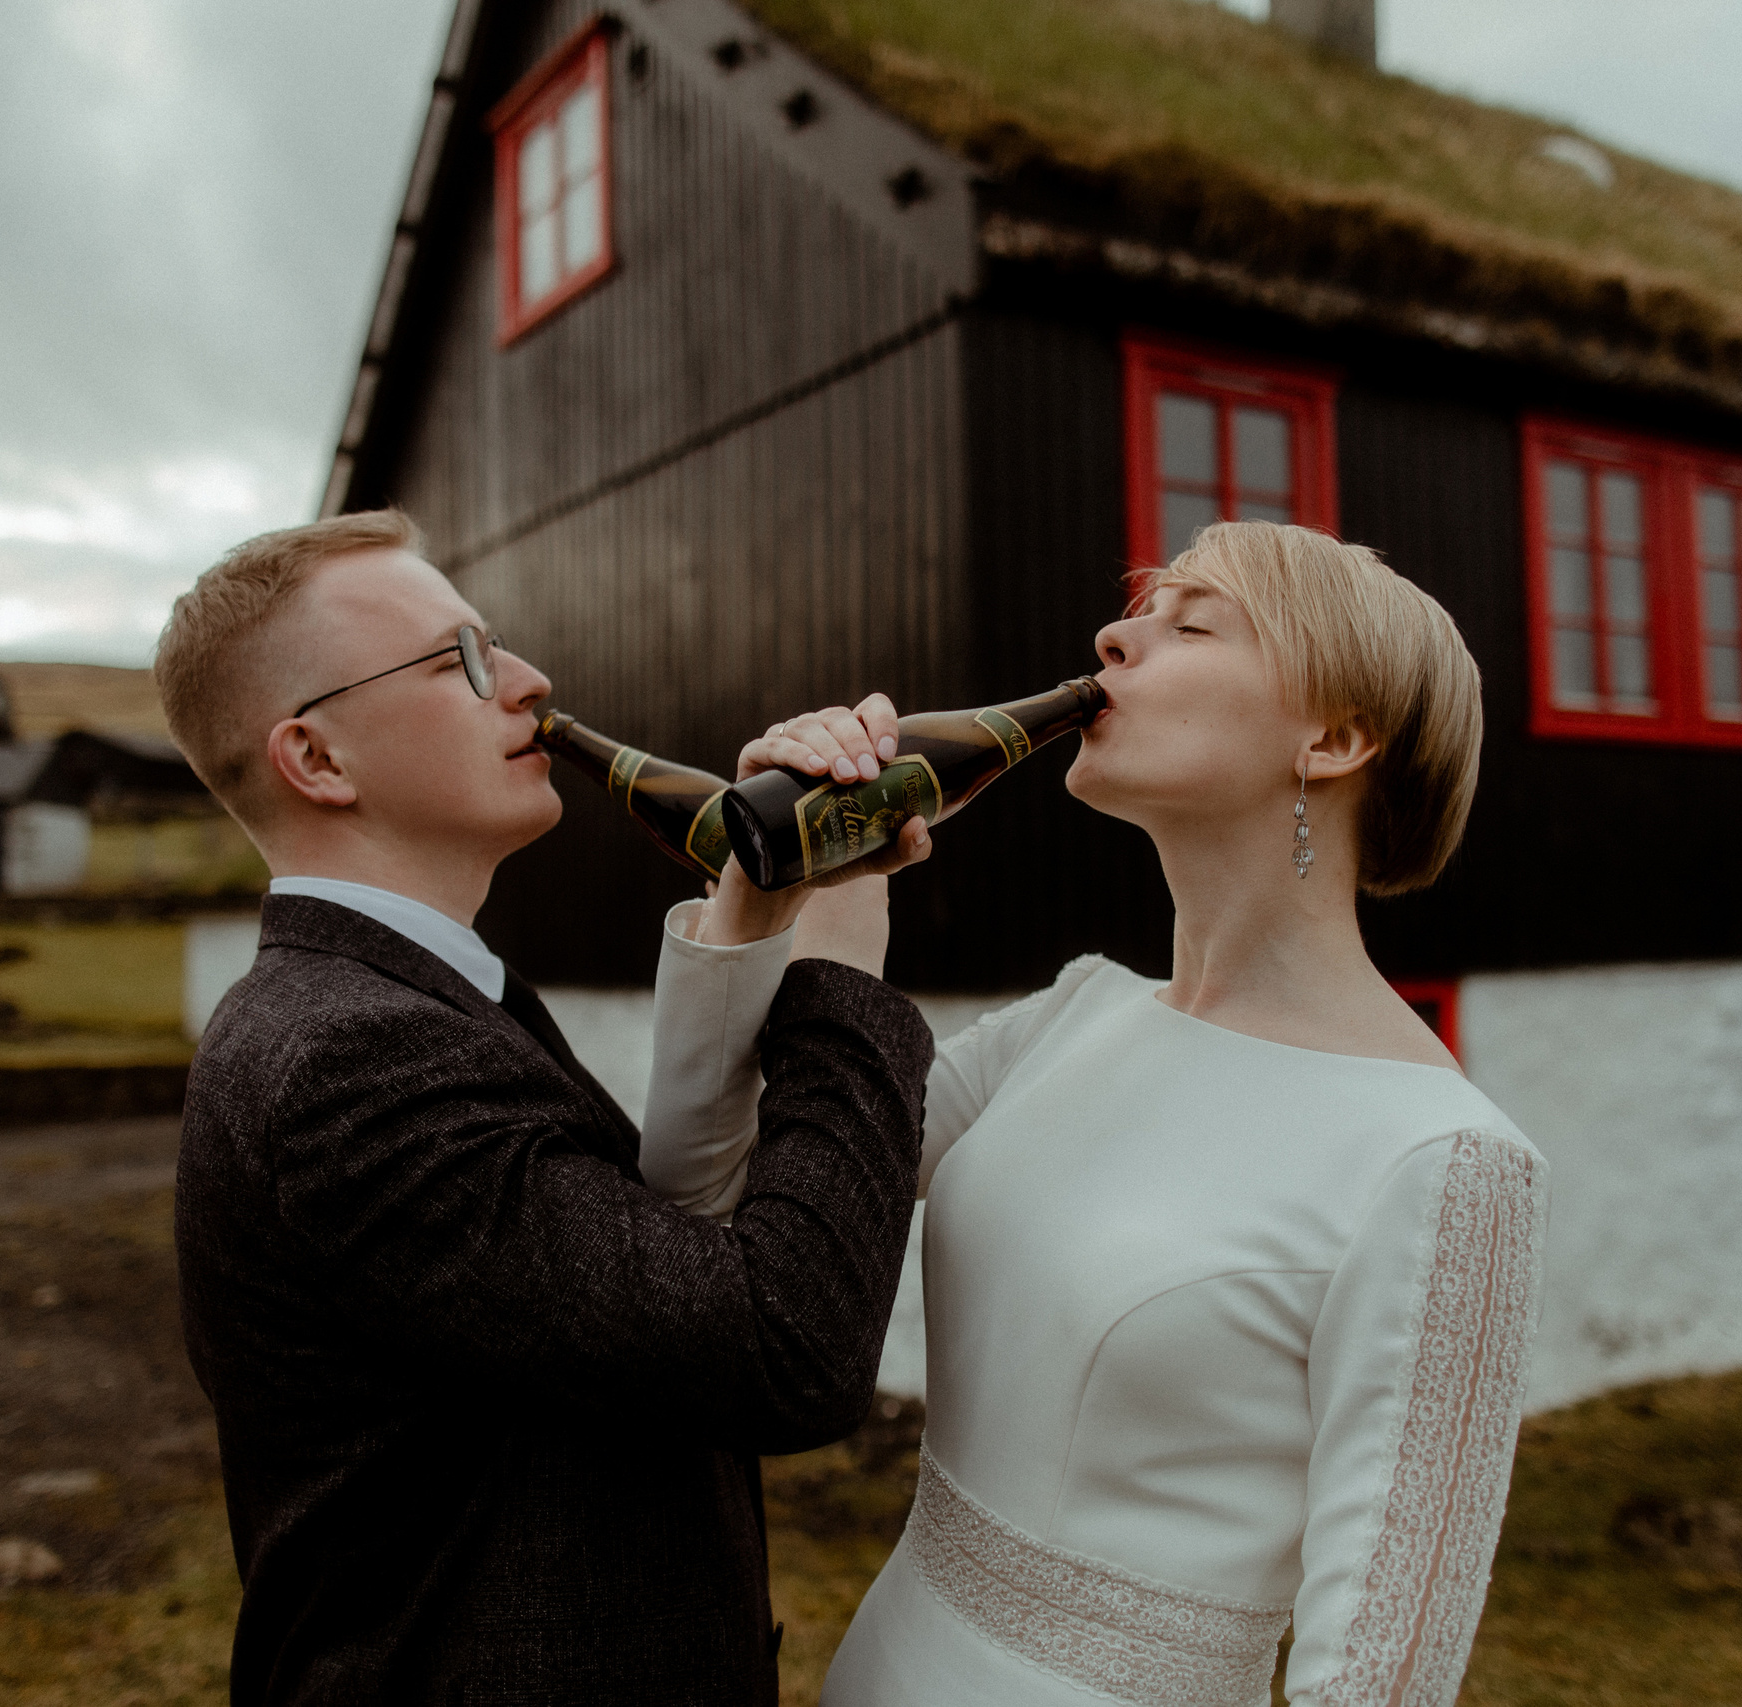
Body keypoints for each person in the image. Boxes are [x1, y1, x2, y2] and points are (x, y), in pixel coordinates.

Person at [641, 520, 1549, 1707]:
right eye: (1138, 609)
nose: (1113, 635)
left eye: (1192, 622)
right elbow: (701, 1209)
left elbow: (1375, 1686)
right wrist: (784, 900)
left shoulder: (1449, 1162)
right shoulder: (1070, 1017)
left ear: (1330, 740)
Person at [157, 508, 936, 1706]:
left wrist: (762, 908)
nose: (527, 682)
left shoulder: (408, 1002)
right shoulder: (351, 1058)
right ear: (316, 759)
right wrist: (839, 952)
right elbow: (784, 1347)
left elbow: (643, 1268)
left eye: (498, 645)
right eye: (458, 661)